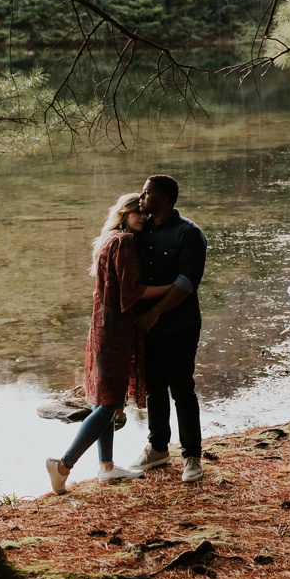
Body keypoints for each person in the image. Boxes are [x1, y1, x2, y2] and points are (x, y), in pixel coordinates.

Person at [47, 193, 172, 494]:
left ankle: (106, 468)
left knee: (107, 401)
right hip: (115, 330)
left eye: (145, 213)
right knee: (108, 405)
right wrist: (174, 286)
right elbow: (133, 291)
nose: (144, 217)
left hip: (104, 326)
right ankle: (63, 465)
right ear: (124, 213)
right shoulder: (124, 242)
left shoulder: (110, 239)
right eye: (137, 212)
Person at [133, 173, 208, 483]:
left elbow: (186, 282)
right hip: (147, 326)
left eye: (147, 193)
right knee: (153, 388)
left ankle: (192, 456)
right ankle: (158, 448)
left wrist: (156, 312)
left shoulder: (188, 234)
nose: (141, 196)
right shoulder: (142, 230)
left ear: (165, 199)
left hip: (180, 325)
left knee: (182, 389)